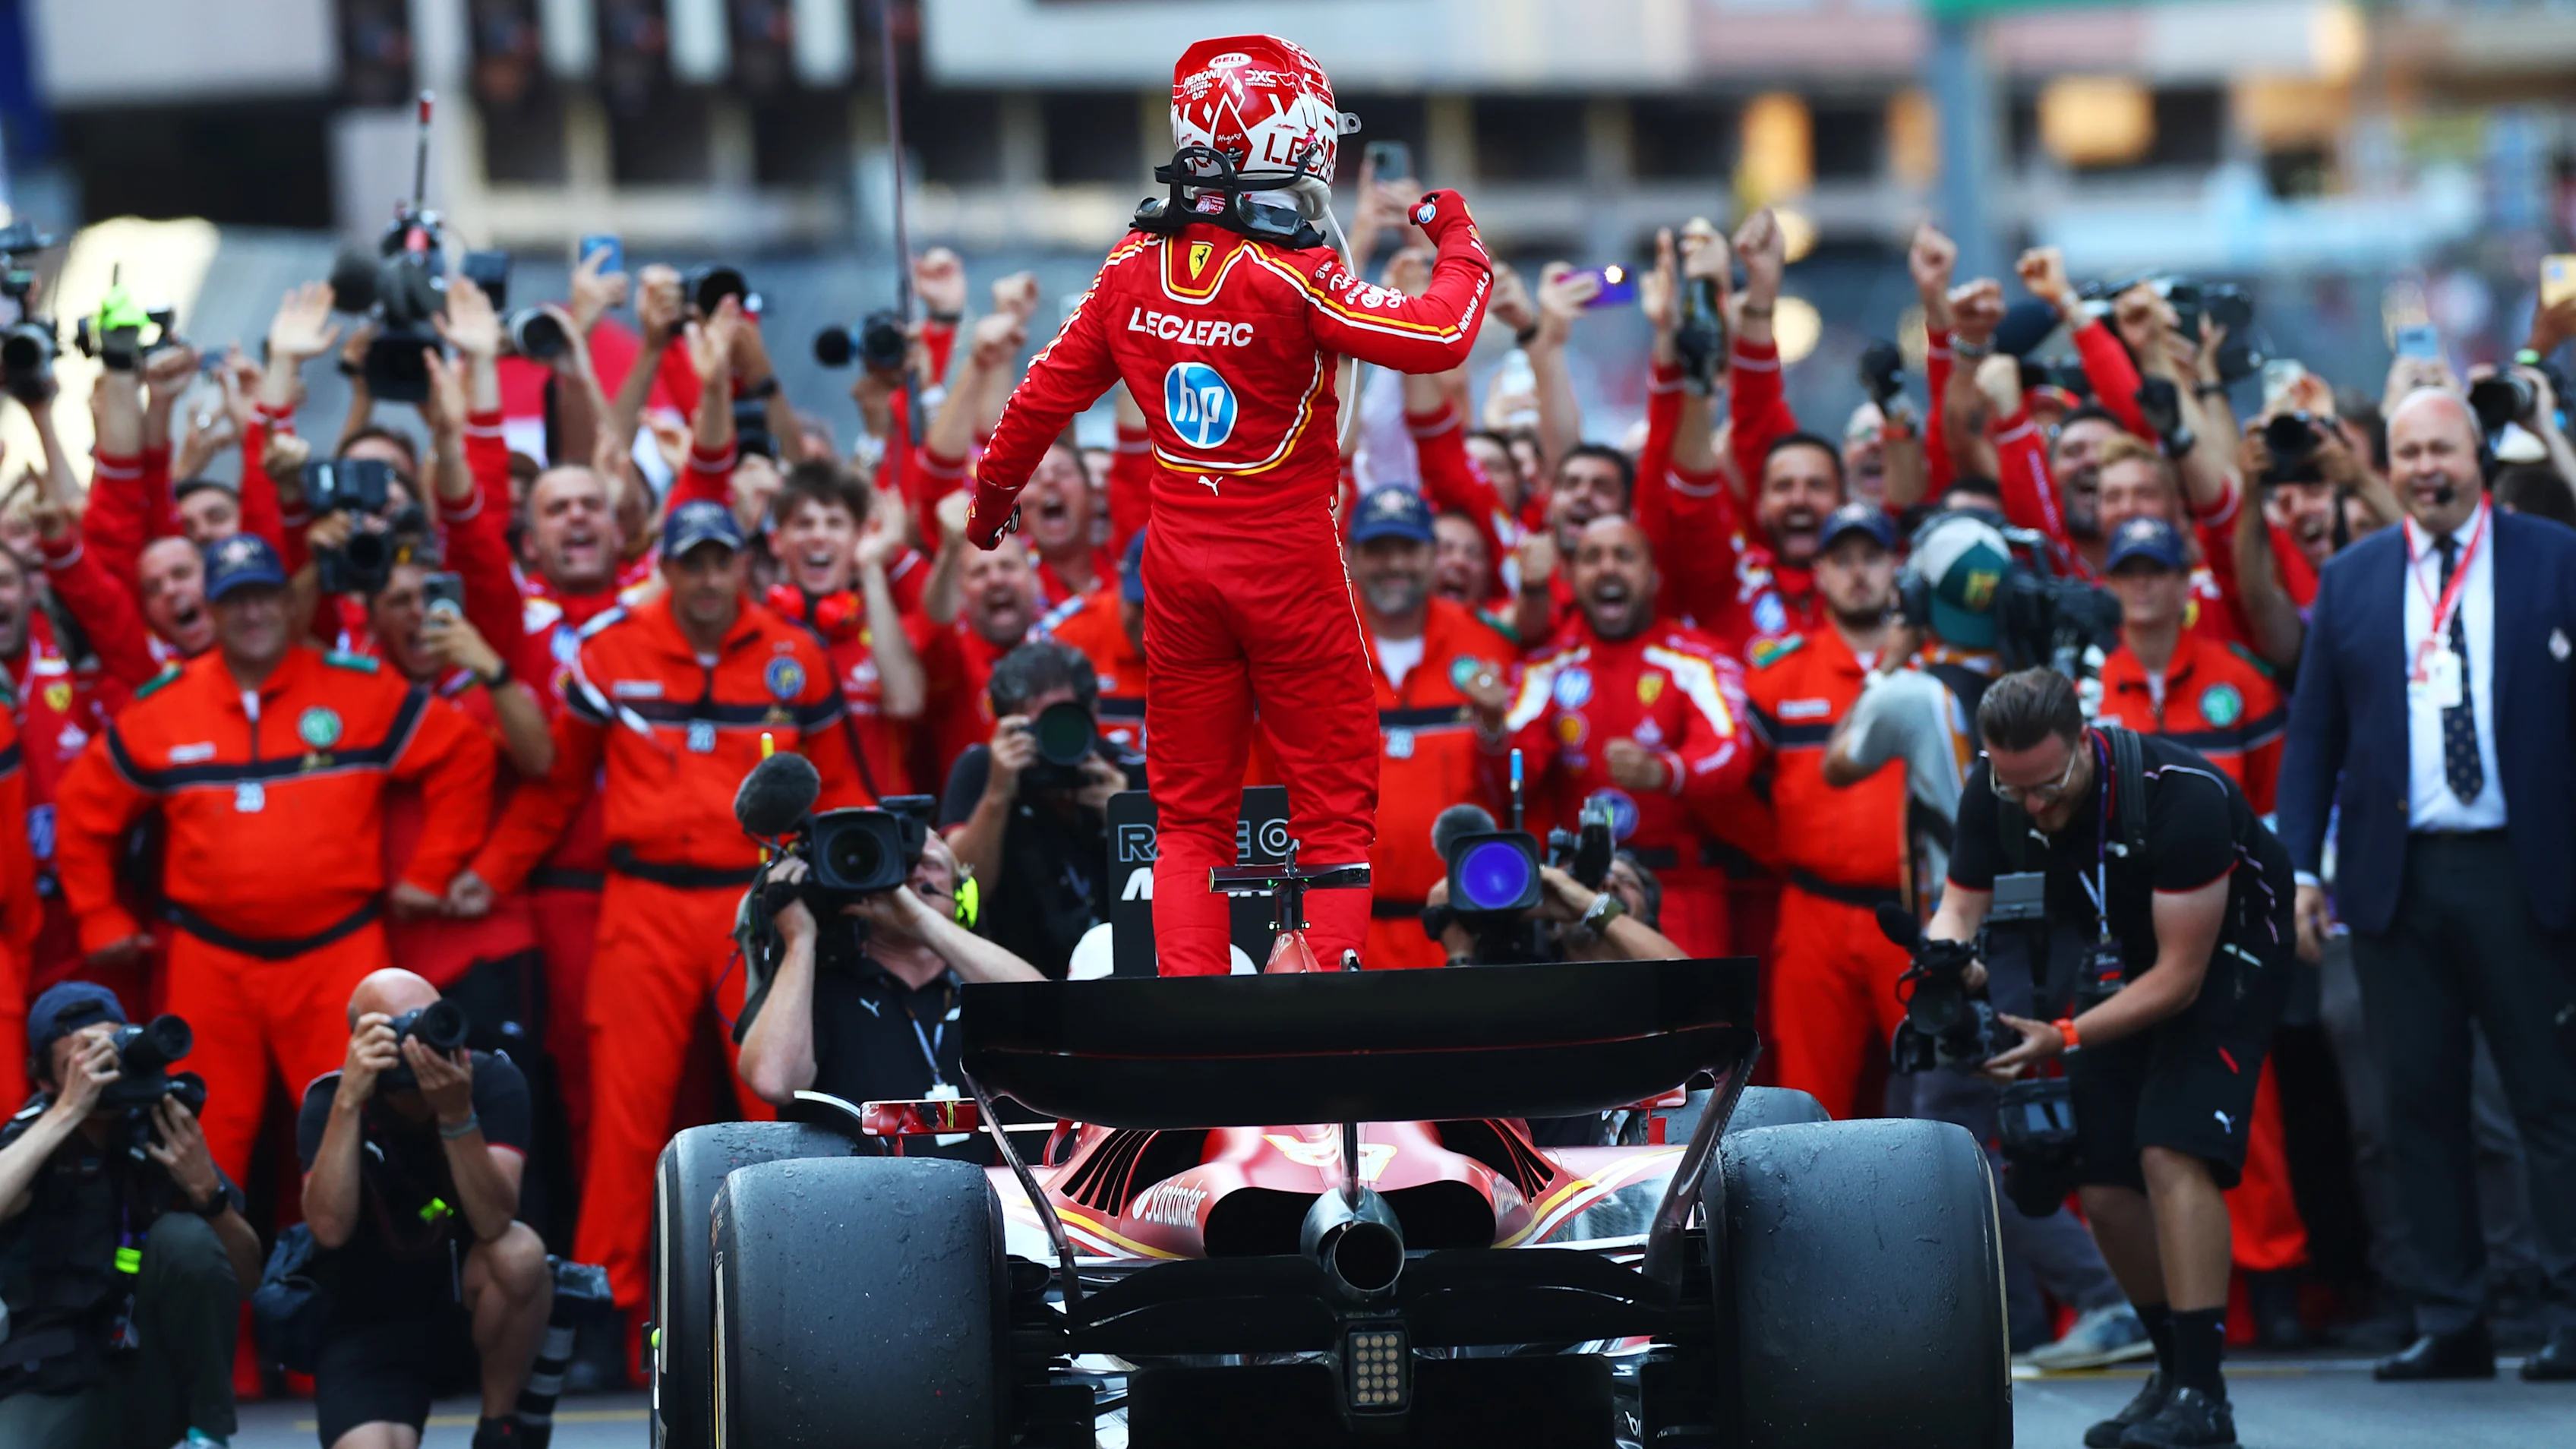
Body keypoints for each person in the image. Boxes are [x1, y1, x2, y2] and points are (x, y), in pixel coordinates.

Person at [965, 33, 1494, 977]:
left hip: (1175, 566)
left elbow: (1038, 398)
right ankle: (1323, 1002)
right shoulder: (1293, 271)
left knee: (1188, 817)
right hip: (1287, 562)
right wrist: (1454, 232)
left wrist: (987, 511)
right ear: (1290, 139)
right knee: (1331, 807)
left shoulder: (1130, 264)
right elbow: (1443, 333)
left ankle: (1188, 1018)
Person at [459, 500, 863, 1334]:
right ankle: (610, 1313)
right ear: (664, 569)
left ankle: (796, 1295)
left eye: (722, 561)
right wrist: (488, 873)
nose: (709, 578)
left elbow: (843, 789)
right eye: (692, 563)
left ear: (745, 564)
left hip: (754, 898)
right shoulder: (610, 655)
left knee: (779, 1104)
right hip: (639, 903)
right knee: (624, 1117)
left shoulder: (797, 656)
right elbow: (557, 791)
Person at [2277, 387, 2576, 1382]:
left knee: (2550, 1100)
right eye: (2407, 453)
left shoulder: (2552, 557)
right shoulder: (2354, 580)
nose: (2425, 469)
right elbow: (2312, 734)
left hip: (2523, 869)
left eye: (2441, 449)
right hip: (2393, 880)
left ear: (2478, 456)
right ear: (2390, 466)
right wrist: (2301, 870)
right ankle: (2453, 1317)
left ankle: (2572, 1306)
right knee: (2420, 1104)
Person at [52, 534, 497, 1185]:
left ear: (290, 605)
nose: (252, 614)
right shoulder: (166, 707)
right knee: (198, 1134)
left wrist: (432, 871)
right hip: (212, 961)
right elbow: (83, 809)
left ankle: (351, 1285)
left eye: (264, 597)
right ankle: (217, 1284)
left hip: (337, 954)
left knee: (360, 1133)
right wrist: (100, 918)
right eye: (235, 601)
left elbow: (464, 755)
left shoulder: (355, 691)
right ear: (213, 608)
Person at [1941, 668, 2296, 1447]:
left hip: (2228, 953)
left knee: (2169, 1149)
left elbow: (2177, 980)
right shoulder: (1995, 787)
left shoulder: (2181, 796)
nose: (2033, 807)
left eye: (2048, 785)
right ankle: (2169, 1372)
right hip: (2115, 957)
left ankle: (2204, 1398)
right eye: (2013, 789)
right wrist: (1939, 966)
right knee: (2099, 1185)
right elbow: (1958, 903)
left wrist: (2061, 1036)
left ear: (2083, 740)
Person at [1470, 516, 1756, 958]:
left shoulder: (1700, 658)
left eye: (1624, 556)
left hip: (1679, 890)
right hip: (1575, 891)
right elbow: (1515, 774)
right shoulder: (1544, 665)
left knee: (1694, 1023)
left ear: (1654, 575)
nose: (1608, 568)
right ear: (1570, 577)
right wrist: (1491, 726)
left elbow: (1731, 752)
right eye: (1592, 557)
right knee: (1585, 1027)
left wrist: (1663, 771)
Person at [298, 969, 551, 1449]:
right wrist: (350, 1102)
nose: (420, 1038)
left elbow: (494, 1221)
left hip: (466, 1308)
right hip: (369, 1323)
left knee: (519, 1252)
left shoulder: (489, 1080)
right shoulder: (331, 1101)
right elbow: (329, 1229)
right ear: (361, 1042)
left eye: (430, 1019)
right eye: (398, 1028)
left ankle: (500, 1426)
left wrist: (457, 1115)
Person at [0, 983, 259, 1449]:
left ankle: (209, 1436)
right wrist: (66, 1112)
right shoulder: (32, 1138)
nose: (105, 1074)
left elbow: (247, 1278)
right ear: (45, 1079)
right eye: (82, 1064)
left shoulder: (159, 1127)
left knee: (187, 1238)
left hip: (144, 1375)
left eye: (111, 1055)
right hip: (48, 1381)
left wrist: (210, 1195)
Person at [1744, 504, 1913, 1119]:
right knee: (1813, 1110)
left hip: (1919, 912)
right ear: (1818, 571)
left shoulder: (1937, 668)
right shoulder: (1782, 677)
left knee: (1942, 1096)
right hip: (1815, 912)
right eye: (1842, 560)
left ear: (1898, 566)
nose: (1858, 574)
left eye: (1872, 557)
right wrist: (1785, 842)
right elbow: (1728, 786)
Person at [734, 833, 1043, 1124]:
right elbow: (773, 1082)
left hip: (985, 1182)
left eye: (930, 863)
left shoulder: (983, 985)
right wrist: (800, 940)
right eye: (900, 864)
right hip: (856, 1181)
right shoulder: (816, 989)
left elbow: (1050, 1020)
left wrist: (920, 921)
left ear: (960, 889)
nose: (913, 874)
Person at [1347, 488, 1511, 970]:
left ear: (1434, 557)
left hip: (1462, 927)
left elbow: (1520, 785)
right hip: (1344, 928)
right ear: (1351, 557)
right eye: (1377, 550)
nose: (1394, 564)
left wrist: (1496, 728)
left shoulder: (1488, 645)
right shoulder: (1317, 642)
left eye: (1409, 549)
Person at [939, 641, 1145, 979]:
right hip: (1015, 981)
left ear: (1091, 713)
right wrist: (996, 797)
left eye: (1061, 723)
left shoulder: (1127, 771)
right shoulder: (983, 770)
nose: (1049, 742)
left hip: (1125, 978)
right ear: (1004, 725)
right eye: (1033, 730)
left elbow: (1177, 893)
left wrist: (1127, 820)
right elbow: (962, 896)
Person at [1035, 529, 1150, 755]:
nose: (1147, 621)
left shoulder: (1215, 640)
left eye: (1160, 607)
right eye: (1139, 604)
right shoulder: (1066, 637)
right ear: (1120, 583)